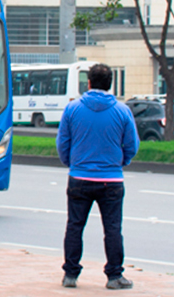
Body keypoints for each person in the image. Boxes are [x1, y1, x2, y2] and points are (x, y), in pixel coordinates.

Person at [56, 63, 139, 290]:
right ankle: (114, 276)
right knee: (112, 228)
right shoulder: (122, 111)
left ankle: (70, 274)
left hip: (79, 177)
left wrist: (72, 163)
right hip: (111, 180)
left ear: (89, 83)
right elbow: (132, 145)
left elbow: (63, 143)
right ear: (110, 84)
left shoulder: (72, 110)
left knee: (74, 226)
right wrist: (122, 162)